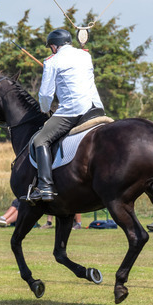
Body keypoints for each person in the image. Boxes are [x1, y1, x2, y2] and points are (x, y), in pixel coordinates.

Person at [28, 28, 105, 202]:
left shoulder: (52, 61)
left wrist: (45, 110)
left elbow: (46, 94)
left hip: (73, 111)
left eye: (50, 48)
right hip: (95, 108)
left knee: (40, 140)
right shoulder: (85, 56)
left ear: (54, 46)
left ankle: (45, 187)